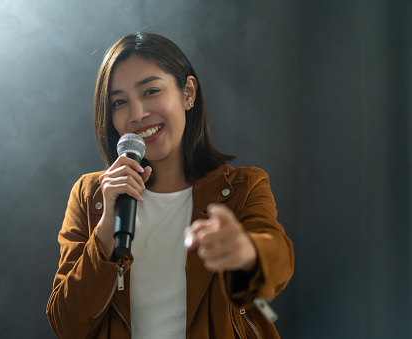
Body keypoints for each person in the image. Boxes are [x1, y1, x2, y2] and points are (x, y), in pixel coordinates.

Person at [46, 32, 294, 339]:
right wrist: (106, 231)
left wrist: (247, 252)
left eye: (150, 91)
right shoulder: (89, 196)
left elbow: (279, 263)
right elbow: (65, 324)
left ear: (188, 92)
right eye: (120, 102)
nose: (137, 114)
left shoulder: (243, 186)